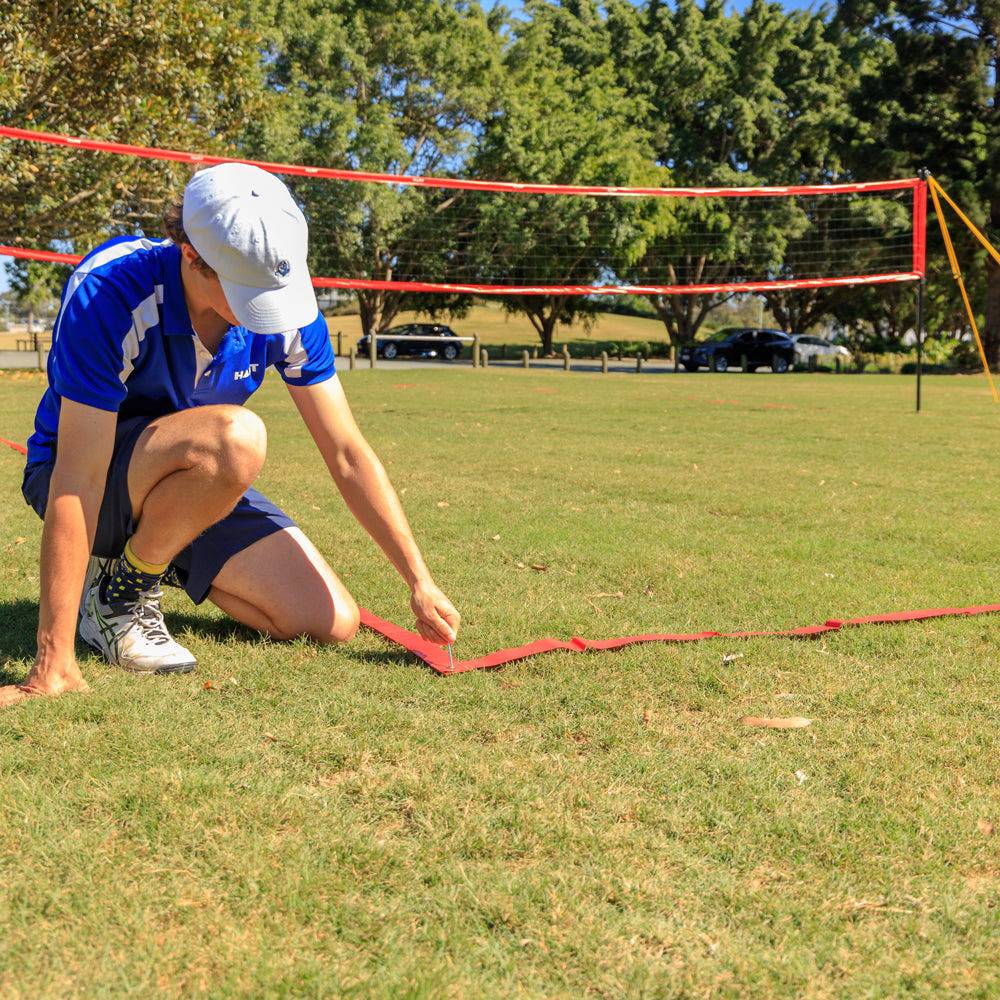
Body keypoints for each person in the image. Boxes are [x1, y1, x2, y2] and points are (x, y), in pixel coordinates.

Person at [0, 163, 460, 708]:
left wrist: (418, 580)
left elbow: (346, 452)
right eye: (249, 291)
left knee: (331, 620)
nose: (267, 310)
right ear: (192, 256)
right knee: (238, 437)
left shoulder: (286, 301)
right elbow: (78, 477)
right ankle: (117, 597)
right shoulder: (109, 290)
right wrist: (51, 663)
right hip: (77, 481)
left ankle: (138, 561)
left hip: (194, 478)